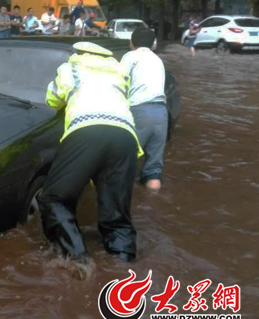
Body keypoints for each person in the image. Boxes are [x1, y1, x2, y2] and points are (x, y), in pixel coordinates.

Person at [38, 41, 142, 263]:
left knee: (54, 198)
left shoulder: (70, 68)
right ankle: (123, 262)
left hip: (86, 131)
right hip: (125, 136)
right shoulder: (119, 72)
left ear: (78, 53)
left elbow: (52, 99)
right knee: (116, 209)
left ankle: (78, 260)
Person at [121, 27, 167, 191]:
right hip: (161, 113)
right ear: (153, 44)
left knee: (125, 162)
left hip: (139, 111)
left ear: (131, 43)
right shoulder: (158, 60)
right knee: (153, 170)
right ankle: (153, 198)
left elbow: (119, 83)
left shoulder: (129, 57)